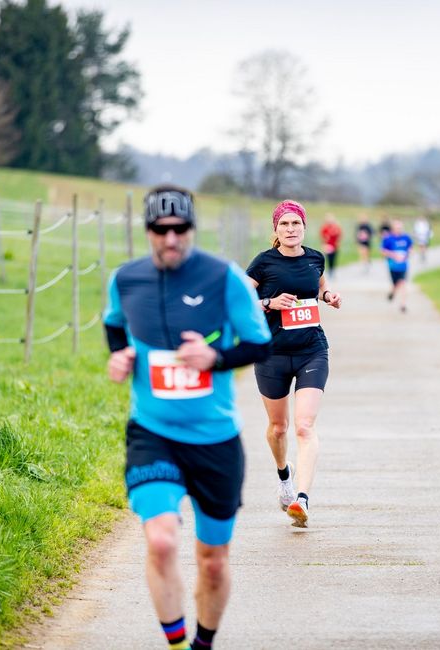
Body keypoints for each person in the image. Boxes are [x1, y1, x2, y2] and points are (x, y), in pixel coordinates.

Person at [103, 185, 271, 650]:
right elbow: (114, 324)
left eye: (180, 230)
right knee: (160, 541)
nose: (171, 239)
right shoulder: (126, 279)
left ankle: (203, 644)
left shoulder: (224, 277)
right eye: (161, 230)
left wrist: (214, 357)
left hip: (215, 439)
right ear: (148, 231)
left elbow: (261, 344)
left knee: (213, 558)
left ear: (192, 230)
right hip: (153, 432)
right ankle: (176, 645)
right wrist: (121, 356)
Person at [246, 200, 342, 528]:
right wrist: (268, 302)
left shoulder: (316, 257)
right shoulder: (263, 263)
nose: (290, 229)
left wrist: (328, 296)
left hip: (311, 349)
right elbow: (240, 302)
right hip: (272, 353)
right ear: (276, 229)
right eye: (284, 224)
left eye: (296, 224)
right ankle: (284, 475)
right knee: (279, 428)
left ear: (304, 227)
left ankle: (302, 499)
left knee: (304, 426)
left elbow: (320, 285)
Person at [381, 219, 412, 313]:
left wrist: (406, 255)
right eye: (397, 227)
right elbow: (383, 251)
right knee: (395, 284)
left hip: (403, 265)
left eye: (400, 227)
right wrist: (394, 255)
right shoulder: (388, 239)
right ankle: (392, 293)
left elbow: (410, 248)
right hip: (393, 265)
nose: (399, 229)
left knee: (402, 283)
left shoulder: (406, 237)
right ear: (393, 228)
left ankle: (403, 305)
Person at [319, 212, 343, 278]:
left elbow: (339, 235)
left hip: (335, 246)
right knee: (329, 258)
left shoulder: (336, 227)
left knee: (334, 258)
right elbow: (322, 236)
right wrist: (323, 244)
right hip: (328, 246)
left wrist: (338, 242)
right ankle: (330, 271)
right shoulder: (325, 228)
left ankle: (333, 271)